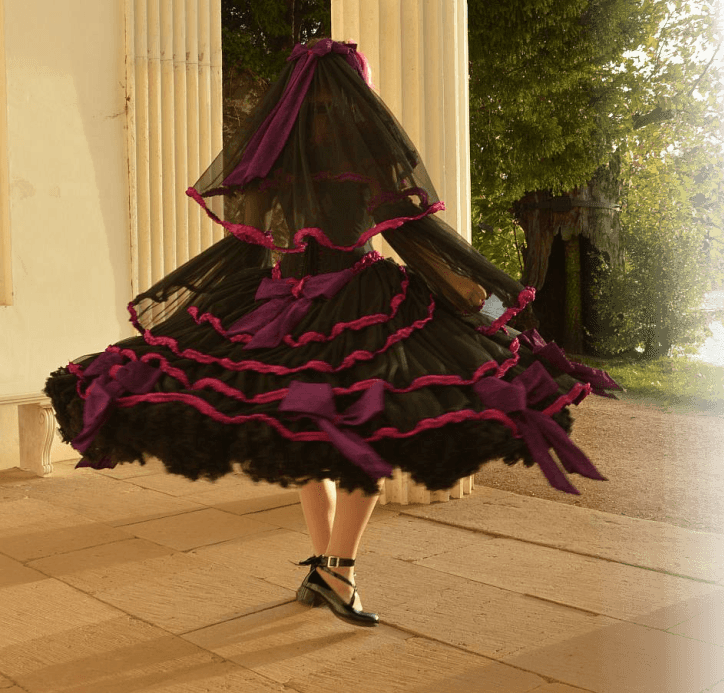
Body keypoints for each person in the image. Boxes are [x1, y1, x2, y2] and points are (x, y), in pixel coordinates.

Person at [45, 38, 620, 629]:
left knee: (312, 436)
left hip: (281, 303)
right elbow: (411, 236)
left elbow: (252, 245)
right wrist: (472, 292)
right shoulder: (364, 158)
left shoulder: (273, 162)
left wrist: (201, 316)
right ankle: (337, 571)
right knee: (358, 436)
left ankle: (328, 569)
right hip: (356, 302)